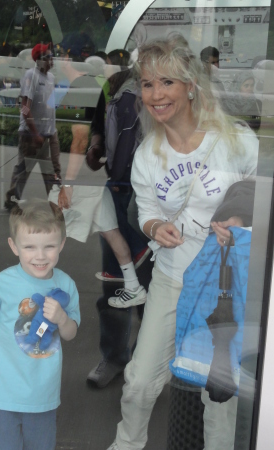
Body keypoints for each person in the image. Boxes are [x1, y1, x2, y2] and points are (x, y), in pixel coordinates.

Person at [107, 36, 258, 450]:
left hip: (221, 285)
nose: (156, 95)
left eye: (167, 83)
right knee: (138, 382)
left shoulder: (235, 140)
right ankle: (127, 443)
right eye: (149, 84)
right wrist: (155, 228)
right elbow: (146, 210)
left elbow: (260, 193)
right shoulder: (148, 154)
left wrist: (240, 216)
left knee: (219, 391)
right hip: (172, 279)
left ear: (190, 85)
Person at [0, 199, 80, 450]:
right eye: (29, 247)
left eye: (49, 246)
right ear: (14, 246)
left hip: (44, 395)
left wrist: (62, 319)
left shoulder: (66, 285)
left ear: (61, 244)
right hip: (3, 392)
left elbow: (70, 334)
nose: (40, 256)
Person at [85, 49, 151, 388]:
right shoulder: (114, 84)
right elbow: (98, 125)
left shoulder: (163, 89)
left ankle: (144, 363)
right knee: (114, 283)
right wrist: (96, 147)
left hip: (154, 199)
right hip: (118, 189)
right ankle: (113, 357)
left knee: (152, 287)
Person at [4, 43, 61, 211]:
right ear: (39, 60)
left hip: (50, 133)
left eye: (52, 56)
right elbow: (25, 107)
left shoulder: (50, 78)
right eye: (49, 57)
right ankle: (12, 199)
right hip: (31, 134)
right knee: (23, 170)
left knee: (53, 170)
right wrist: (34, 133)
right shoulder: (31, 76)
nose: (52, 60)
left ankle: (57, 202)